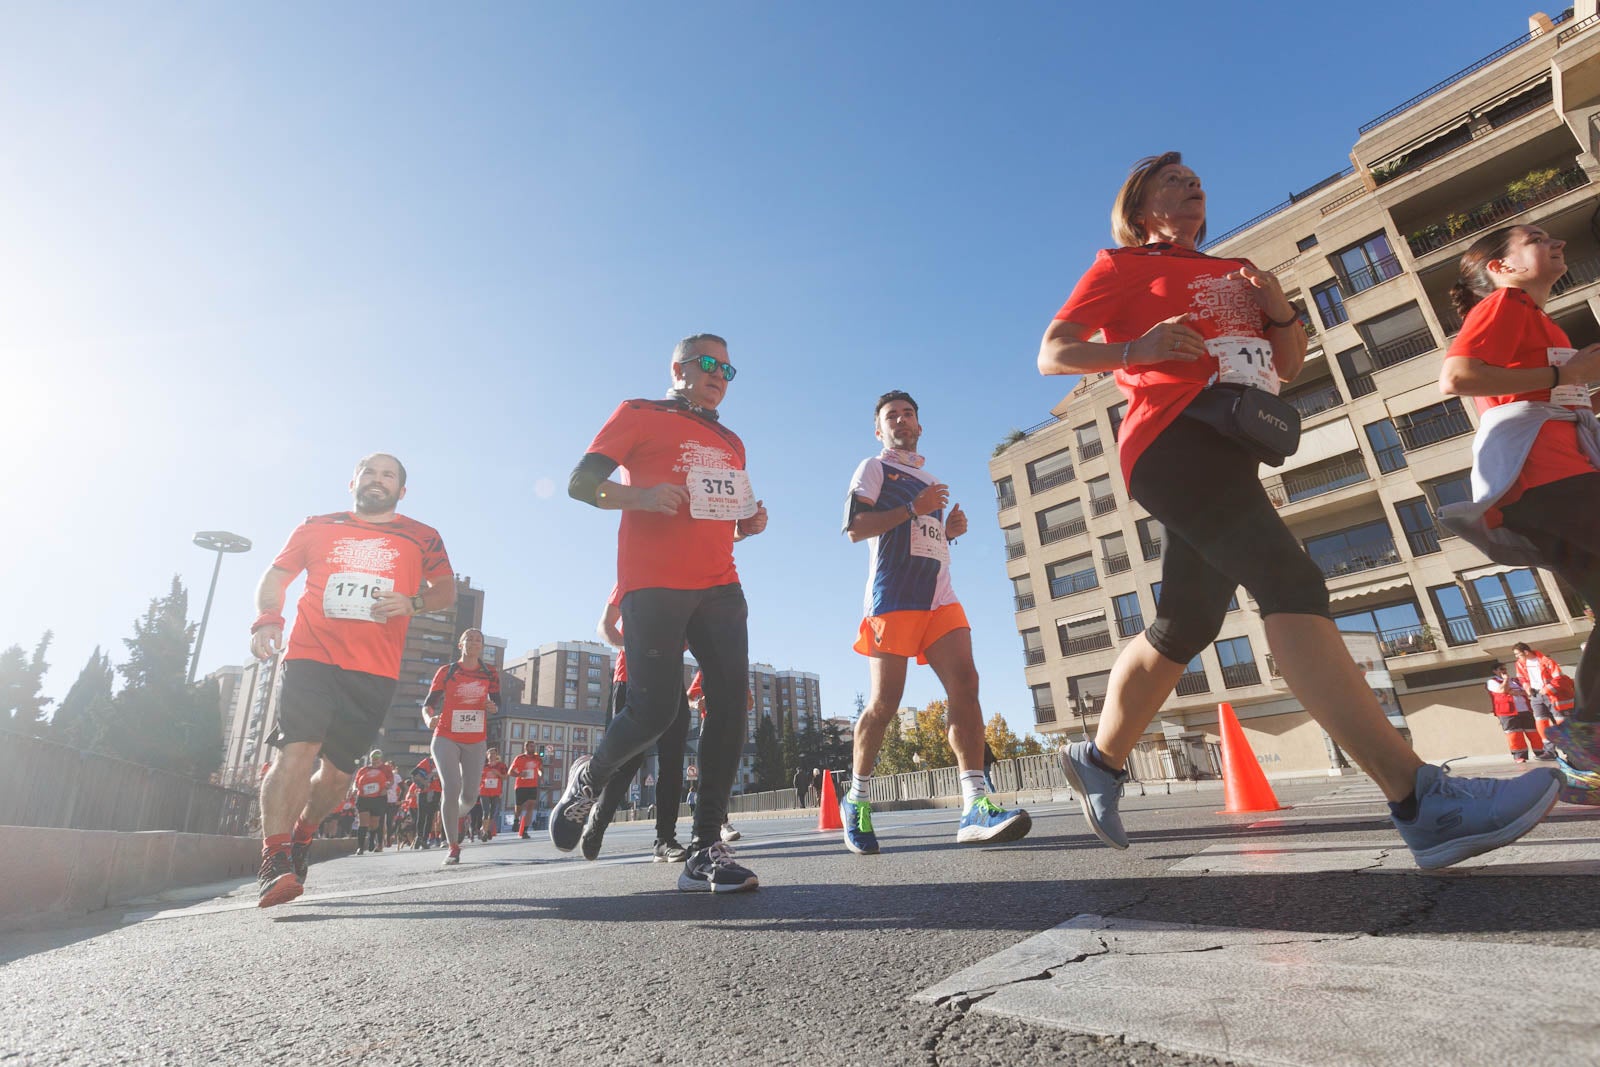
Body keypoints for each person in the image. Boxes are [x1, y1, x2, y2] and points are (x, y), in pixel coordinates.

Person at [1034, 152, 1558, 870]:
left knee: (1185, 622)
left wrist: (1277, 303)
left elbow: (1287, 363)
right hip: (1171, 438)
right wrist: (1136, 347)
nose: (1193, 186)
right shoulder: (1121, 266)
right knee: (1291, 586)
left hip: (1234, 442)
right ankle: (1420, 800)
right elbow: (1053, 352)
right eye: (1172, 180)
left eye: (1197, 179)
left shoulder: (1236, 269)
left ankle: (1098, 759)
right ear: (1140, 203)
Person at [559, 333, 768, 893]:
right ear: (678, 367)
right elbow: (581, 484)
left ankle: (704, 849)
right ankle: (591, 778)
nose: (718, 374)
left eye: (728, 367)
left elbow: (721, 512)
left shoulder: (731, 440)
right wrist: (638, 498)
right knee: (654, 712)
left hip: (721, 585)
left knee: (730, 704)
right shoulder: (638, 412)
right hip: (652, 584)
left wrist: (746, 523)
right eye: (707, 363)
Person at [1436, 223, 1600, 802]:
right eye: (1535, 238)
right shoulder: (1505, 302)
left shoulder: (1543, 320)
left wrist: (1582, 384)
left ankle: (1586, 759)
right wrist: (1566, 375)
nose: (1554, 240)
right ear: (1501, 267)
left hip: (1556, 476)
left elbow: (1547, 394)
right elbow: (1456, 377)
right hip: (1549, 478)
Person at [249, 452, 455, 906]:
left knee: (339, 776)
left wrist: (413, 604)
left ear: (401, 490)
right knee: (295, 752)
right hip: (310, 655)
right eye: (369, 472)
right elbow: (277, 574)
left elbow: (445, 589)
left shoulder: (423, 537)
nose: (376, 480)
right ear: (353, 482)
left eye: (388, 475)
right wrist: (268, 617)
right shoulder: (315, 526)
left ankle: (303, 834)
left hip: (374, 667)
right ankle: (275, 858)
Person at [838, 390, 1031, 854]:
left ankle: (975, 805)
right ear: (879, 429)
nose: (901, 421)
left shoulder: (931, 480)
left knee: (966, 683)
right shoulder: (874, 468)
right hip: (894, 597)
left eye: (908, 414)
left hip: (940, 597)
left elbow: (921, 537)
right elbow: (855, 529)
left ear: (920, 425)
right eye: (891, 416)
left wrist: (947, 532)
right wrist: (914, 509)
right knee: (885, 704)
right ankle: (857, 799)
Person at [579, 593, 692, 863]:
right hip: (631, 678)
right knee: (628, 761)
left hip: (670, 680)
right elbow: (605, 626)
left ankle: (665, 840)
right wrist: (634, 649)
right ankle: (598, 821)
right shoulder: (631, 574)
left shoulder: (683, 583)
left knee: (672, 759)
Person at [422, 628, 501, 866]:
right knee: (451, 786)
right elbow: (429, 704)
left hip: (476, 739)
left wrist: (492, 707)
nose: (474, 642)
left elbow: (496, 702)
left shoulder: (490, 673)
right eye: (470, 639)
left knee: (469, 795)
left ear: (482, 647)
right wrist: (429, 719)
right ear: (461, 644)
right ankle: (453, 846)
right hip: (446, 735)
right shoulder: (447, 671)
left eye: (479, 640)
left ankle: (451, 814)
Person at [1513, 642, 1572, 747]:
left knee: (1559, 719)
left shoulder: (1546, 660)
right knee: (1540, 719)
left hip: (1551, 695)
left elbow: (1559, 678)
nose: (1517, 657)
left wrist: (1547, 689)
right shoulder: (1519, 664)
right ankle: (1549, 748)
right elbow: (1522, 678)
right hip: (1535, 695)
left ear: (1526, 652)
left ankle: (1567, 747)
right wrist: (1527, 688)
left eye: (1518, 654)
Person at [1487, 665, 1547, 763]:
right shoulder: (1492, 682)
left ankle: (1541, 752)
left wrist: (1513, 691)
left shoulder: (1515, 680)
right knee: (1514, 735)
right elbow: (1502, 691)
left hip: (1525, 710)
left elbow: (1526, 692)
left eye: (1505, 669)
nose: (1504, 671)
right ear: (1494, 671)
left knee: (1533, 732)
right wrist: (1506, 681)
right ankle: (1520, 756)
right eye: (1501, 669)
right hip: (1507, 711)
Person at [352, 750, 396, 854]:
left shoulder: (386, 768)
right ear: (370, 758)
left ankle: (374, 841)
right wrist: (354, 789)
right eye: (373, 756)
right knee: (363, 822)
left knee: (376, 823)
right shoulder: (363, 769)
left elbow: (391, 780)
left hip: (379, 798)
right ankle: (360, 847)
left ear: (381, 758)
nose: (375, 758)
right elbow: (356, 781)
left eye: (377, 756)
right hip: (363, 797)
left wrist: (387, 786)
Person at [508, 741, 543, 838]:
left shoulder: (537, 758)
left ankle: (525, 830)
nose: (533, 748)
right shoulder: (519, 758)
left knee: (530, 806)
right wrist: (519, 774)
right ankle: (516, 820)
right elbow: (510, 772)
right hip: (520, 786)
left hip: (532, 786)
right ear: (526, 747)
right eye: (531, 747)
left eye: (534, 746)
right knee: (519, 807)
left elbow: (540, 769)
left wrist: (541, 774)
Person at [410, 754, 444, 849]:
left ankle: (423, 839)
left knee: (428, 817)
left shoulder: (442, 762)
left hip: (435, 791)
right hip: (425, 791)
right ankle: (420, 838)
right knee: (424, 816)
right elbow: (414, 773)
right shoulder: (428, 761)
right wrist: (425, 782)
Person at [478, 750, 508, 840]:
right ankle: (484, 832)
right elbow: (477, 778)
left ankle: (485, 829)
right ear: (487, 756)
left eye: (494, 754)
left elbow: (506, 777)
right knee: (486, 812)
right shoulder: (483, 766)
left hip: (496, 792)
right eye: (490, 754)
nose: (492, 756)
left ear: (496, 756)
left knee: (492, 813)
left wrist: (498, 773)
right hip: (484, 792)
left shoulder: (501, 766)